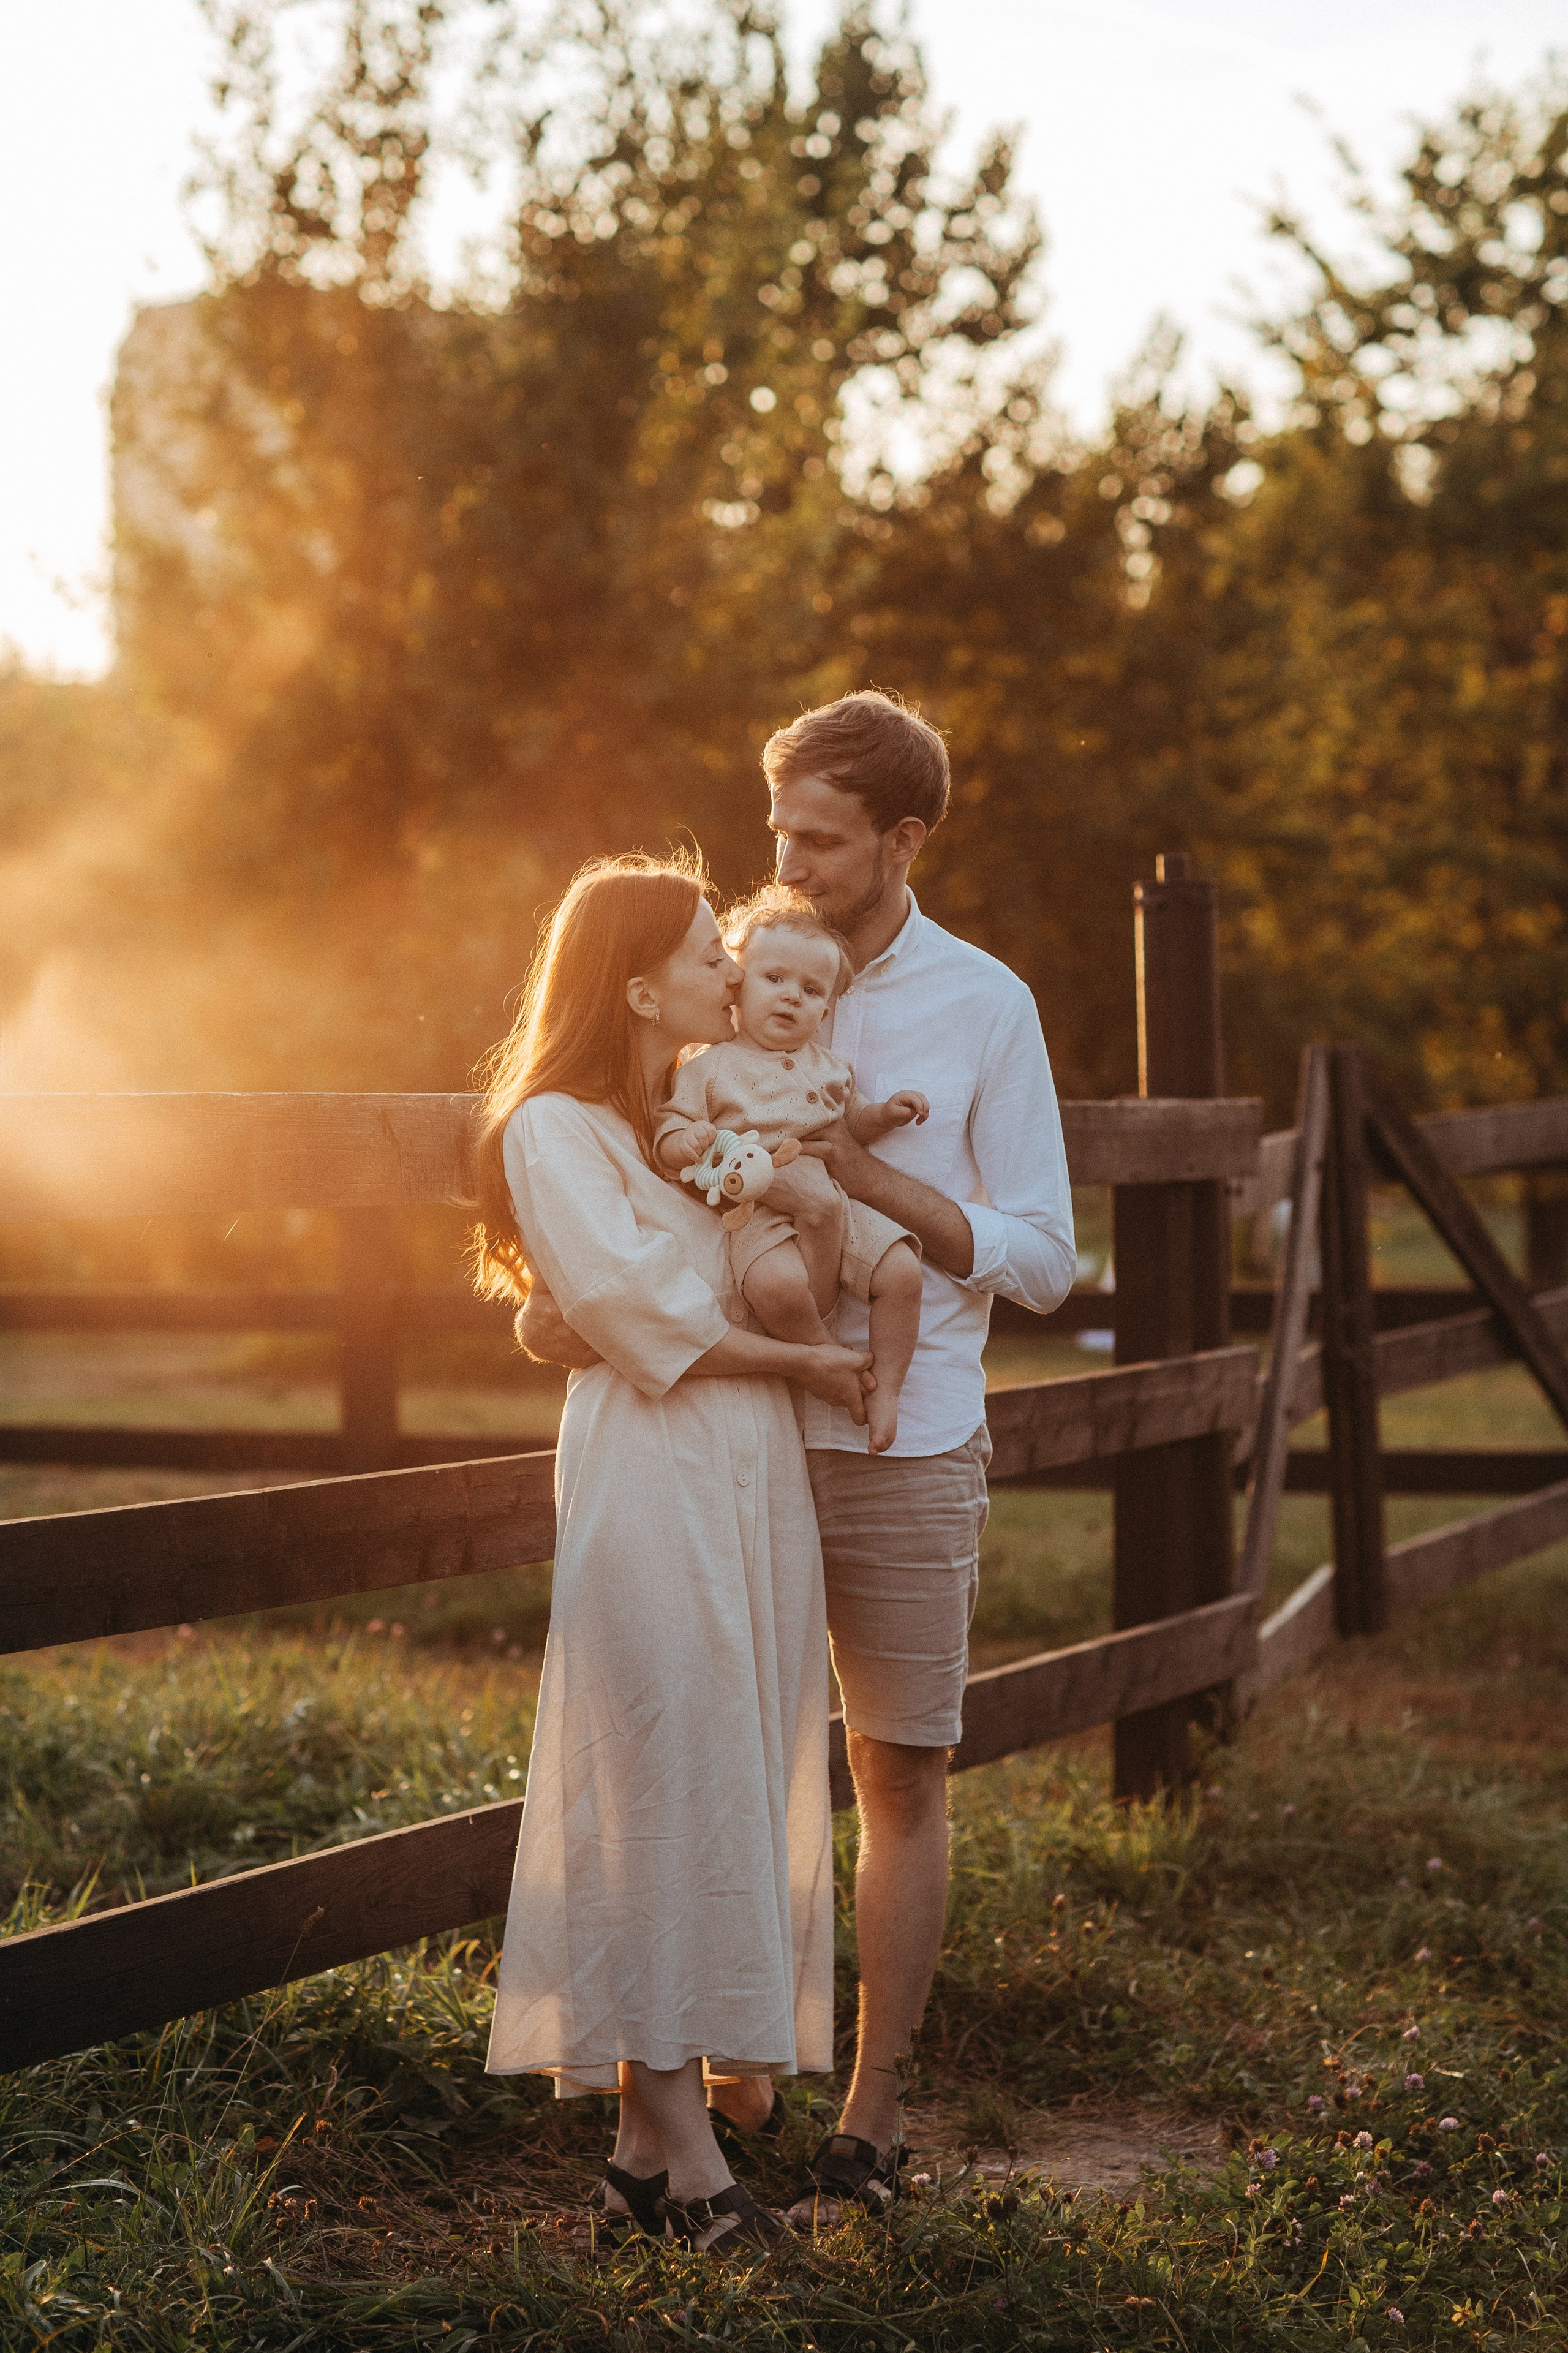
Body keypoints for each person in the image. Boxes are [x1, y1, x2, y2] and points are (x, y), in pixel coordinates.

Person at [523, 693, 1076, 2227]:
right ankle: (719, 2069)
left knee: (894, 1765)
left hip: (901, 1430)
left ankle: (871, 2113)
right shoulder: (720, 969)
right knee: (718, 1741)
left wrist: (864, 1179)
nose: (789, 862)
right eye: (778, 830)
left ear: (902, 839)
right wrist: (554, 1304)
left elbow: (1041, 1254)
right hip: (725, 1432)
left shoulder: (983, 1005)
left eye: (821, 839)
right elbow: (621, 1154)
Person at [470, 850, 874, 2257]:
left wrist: (805, 1244)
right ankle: (692, 2154)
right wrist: (808, 1363)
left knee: (733, 1758)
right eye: (709, 951)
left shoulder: (686, 1117)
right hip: (651, 1475)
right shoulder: (554, 1129)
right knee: (653, 1767)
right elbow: (637, 1316)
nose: (730, 967)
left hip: (751, 1475)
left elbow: (780, 1266)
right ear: (636, 982)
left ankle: (641, 2158)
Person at [654, 886, 928, 1453]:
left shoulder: (831, 1067)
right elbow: (668, 1130)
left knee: (904, 1273)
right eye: (773, 979)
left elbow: (852, 1125)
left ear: (826, 1009)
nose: (789, 998)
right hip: (757, 1216)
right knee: (777, 1286)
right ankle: (824, 1355)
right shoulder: (709, 1068)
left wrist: (886, 1113)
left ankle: (889, 1390)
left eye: (809, 991)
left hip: (839, 1205)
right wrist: (686, 1141)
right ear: (739, 982)